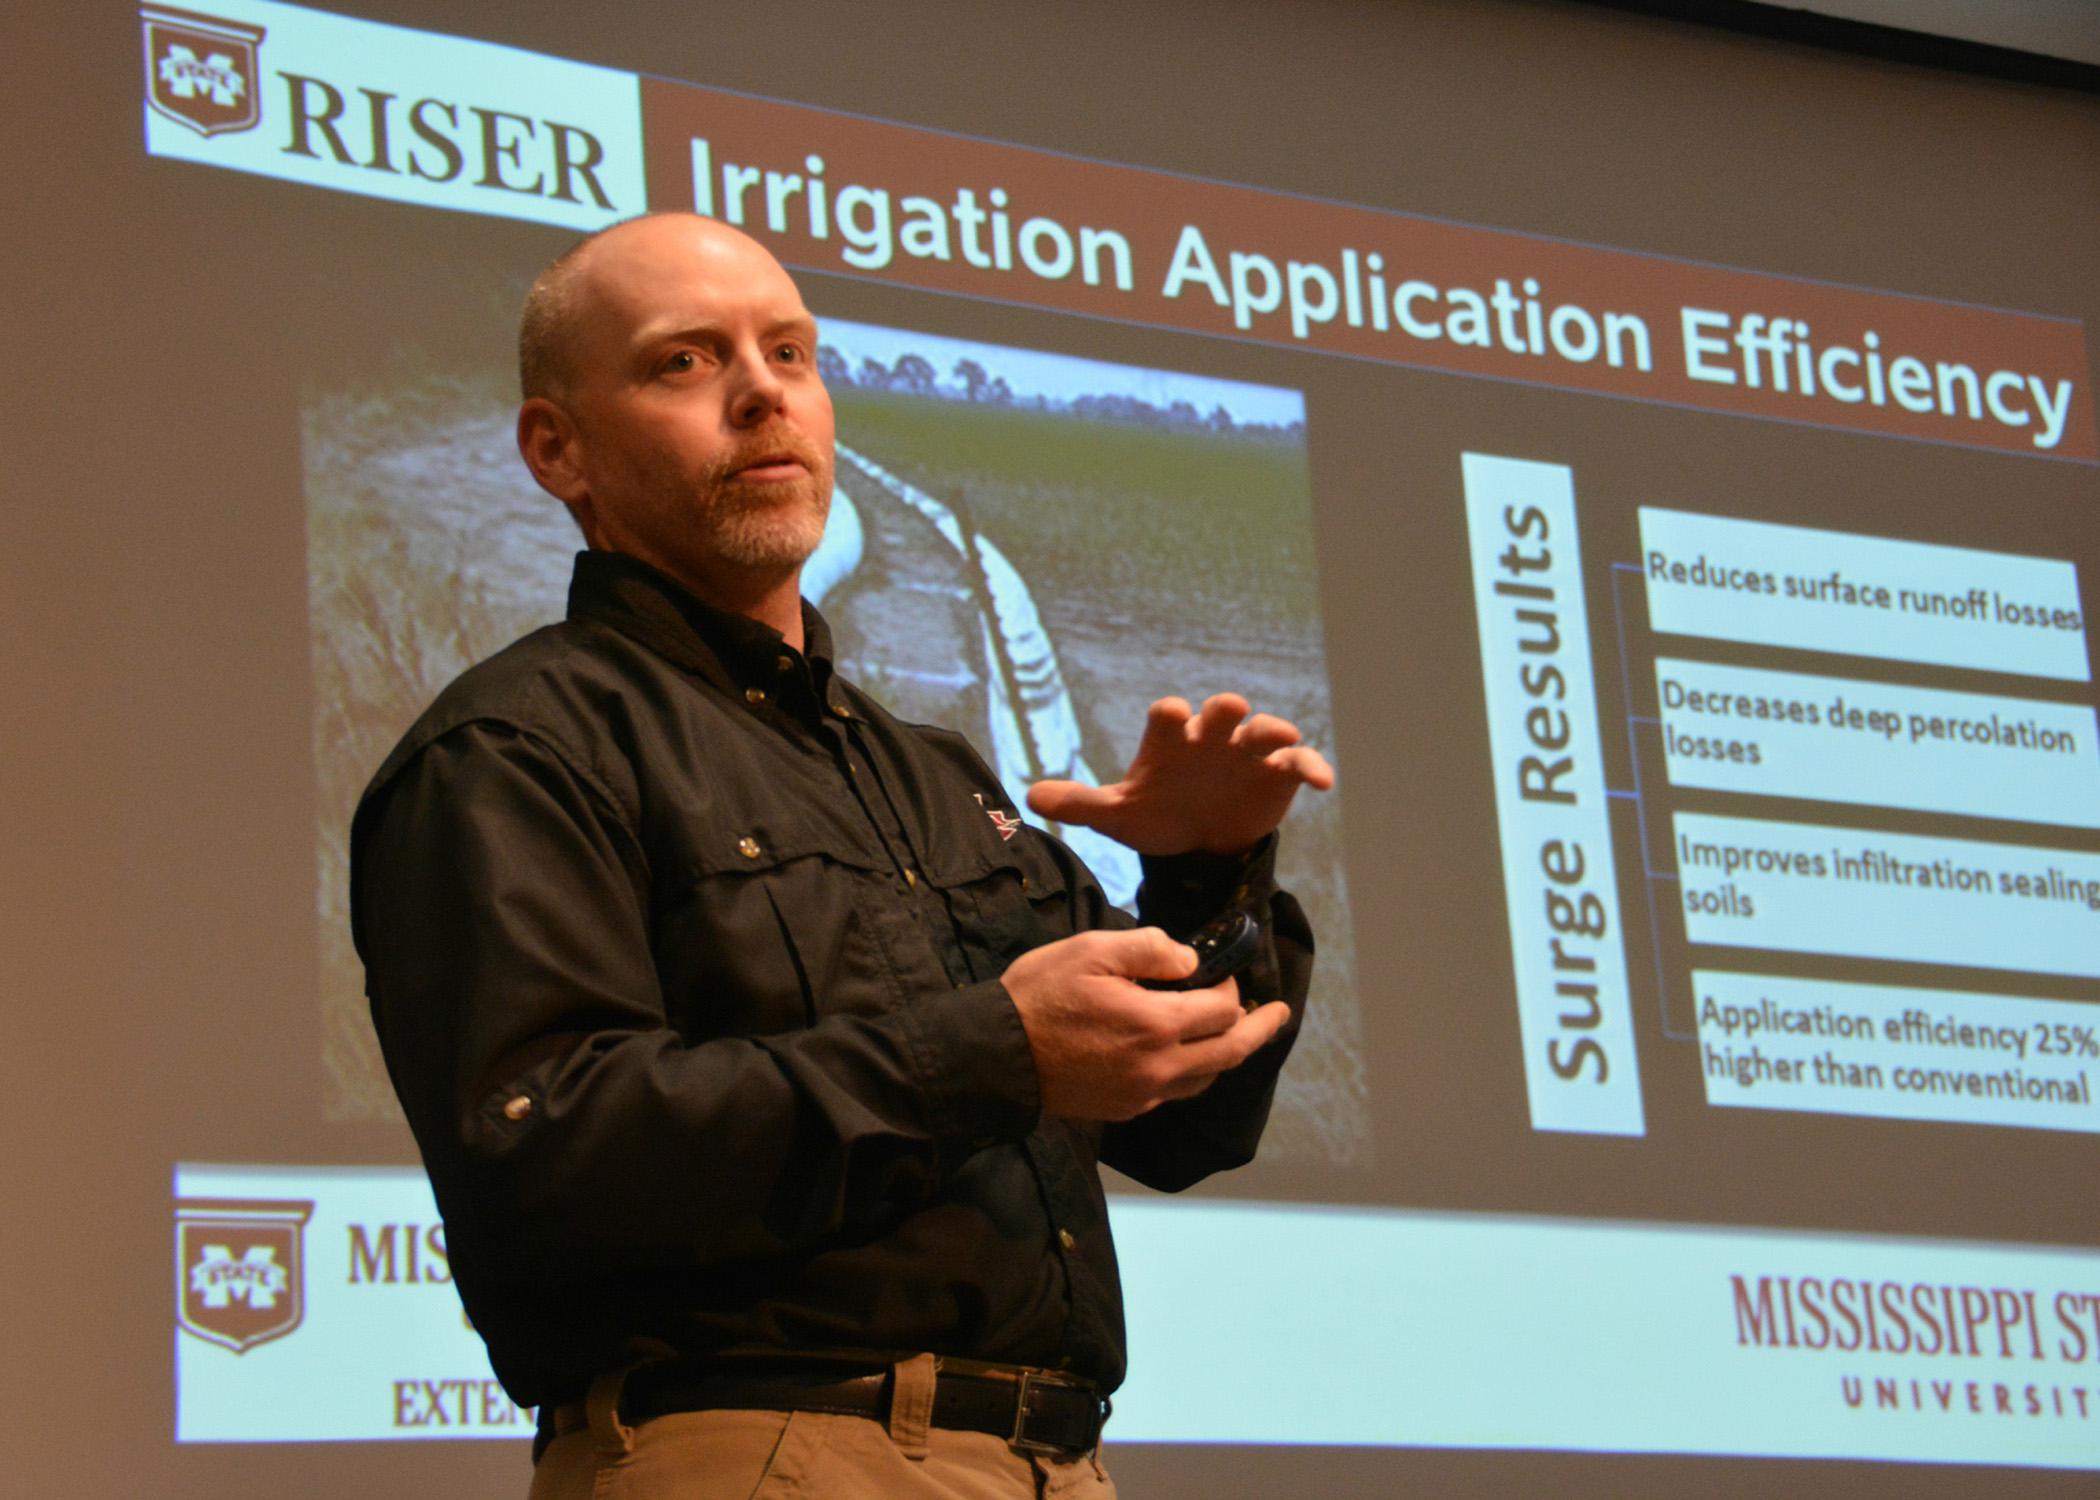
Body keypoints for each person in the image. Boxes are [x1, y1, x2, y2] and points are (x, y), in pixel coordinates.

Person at [350, 212, 1332, 1499]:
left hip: (1055, 1464)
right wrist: (991, 1054)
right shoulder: (515, 750)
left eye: (792, 354)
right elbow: (546, 1160)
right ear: (558, 449)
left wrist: (1208, 874)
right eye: (685, 363)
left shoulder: (937, 774)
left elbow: (1190, 1123)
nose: (764, 393)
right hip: (766, 1450)